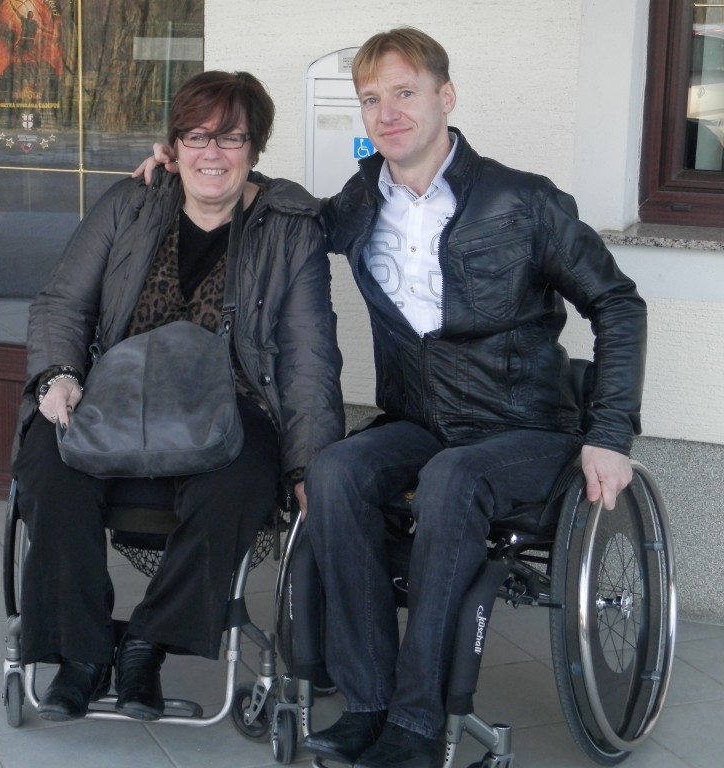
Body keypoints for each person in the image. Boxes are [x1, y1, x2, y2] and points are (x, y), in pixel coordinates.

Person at [134, 27, 646, 768]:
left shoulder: (524, 201)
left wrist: (611, 433)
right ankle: (367, 702)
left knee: (452, 478)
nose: (387, 113)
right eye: (372, 99)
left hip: (526, 427)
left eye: (405, 93)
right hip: (420, 420)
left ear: (446, 96)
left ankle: (416, 722)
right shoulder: (361, 200)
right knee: (334, 471)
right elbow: (287, 214)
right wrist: (196, 164)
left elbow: (618, 305)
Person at [12, 70, 344, 724]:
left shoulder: (288, 227)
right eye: (196, 135)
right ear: (174, 144)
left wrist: (308, 462)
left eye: (231, 137)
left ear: (255, 147)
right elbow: (62, 303)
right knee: (50, 465)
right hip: (115, 393)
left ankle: (147, 642)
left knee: (239, 483)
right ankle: (82, 654)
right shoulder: (131, 203)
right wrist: (58, 374)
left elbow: (310, 355)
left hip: (233, 402)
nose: (211, 152)